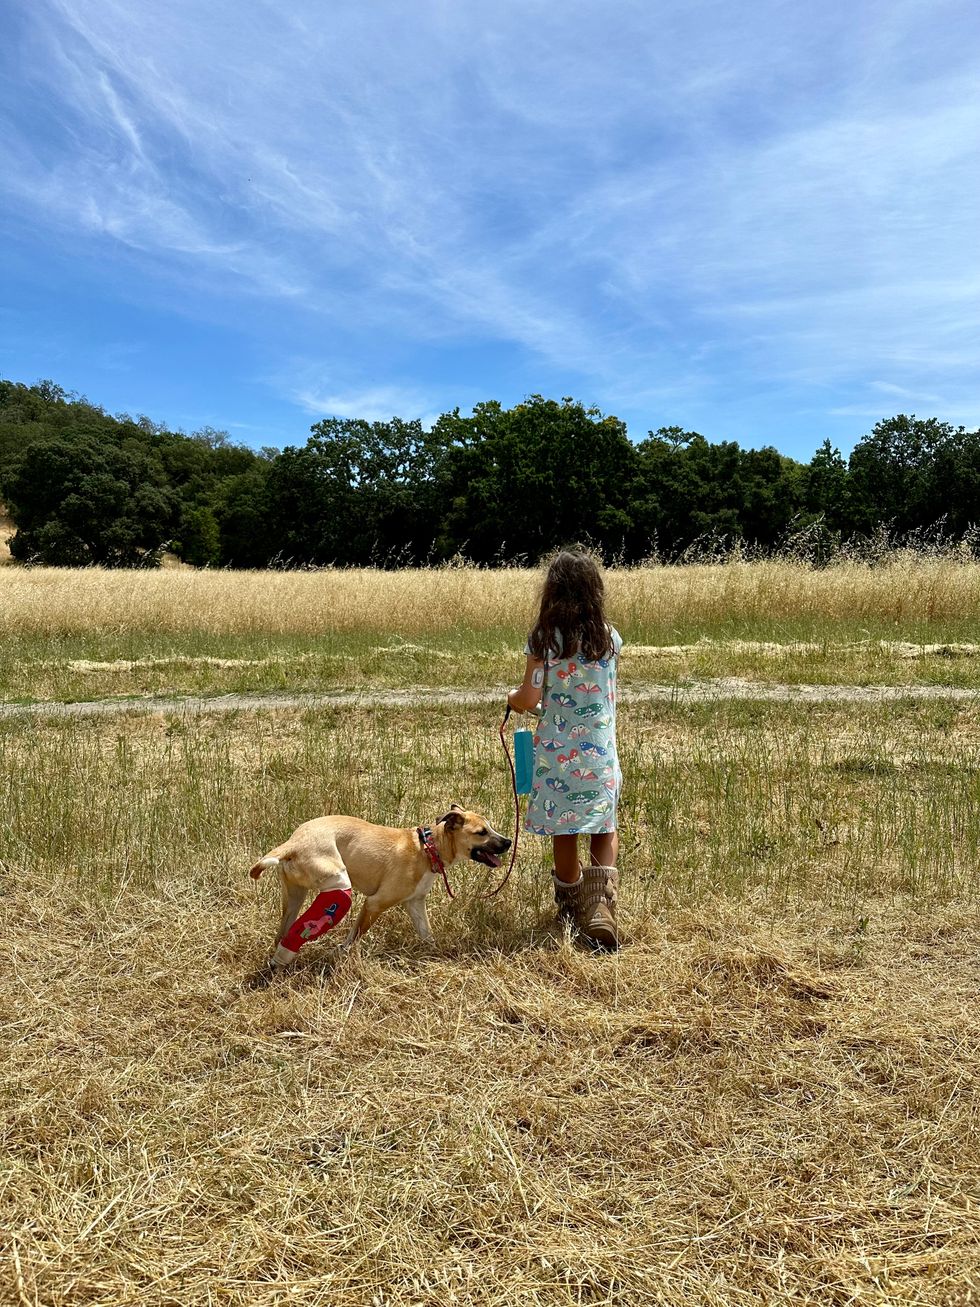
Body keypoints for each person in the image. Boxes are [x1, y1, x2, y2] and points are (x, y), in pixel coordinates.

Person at [507, 548, 623, 949]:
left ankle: (571, 904)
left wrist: (514, 699)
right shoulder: (608, 637)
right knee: (603, 825)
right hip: (599, 750)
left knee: (565, 827)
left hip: (559, 754)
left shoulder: (543, 640)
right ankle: (601, 907)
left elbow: (530, 695)